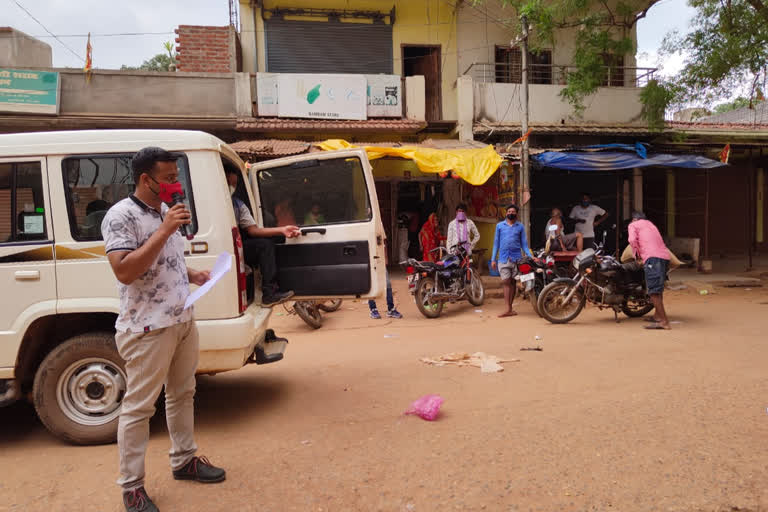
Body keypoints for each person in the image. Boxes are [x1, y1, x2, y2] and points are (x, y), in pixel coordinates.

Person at [101, 147, 225, 512]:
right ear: (146, 179)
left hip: (181, 319)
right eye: (169, 178)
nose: (176, 184)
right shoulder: (120, 216)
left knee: (183, 393)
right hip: (146, 328)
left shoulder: (164, 212)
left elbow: (164, 259)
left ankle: (184, 460)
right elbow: (124, 270)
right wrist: (166, 228)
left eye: (177, 177)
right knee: (139, 408)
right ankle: (132, 488)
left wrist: (191, 273)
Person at [225, 168, 299, 306]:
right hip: (217, 247)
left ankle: (269, 293)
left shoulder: (238, 205)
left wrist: (282, 230)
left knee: (265, 244)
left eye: (234, 185)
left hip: (235, 247)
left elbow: (253, 231)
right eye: (228, 183)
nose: (231, 187)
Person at [627, 211, 672, 330]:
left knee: (653, 292)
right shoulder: (651, 225)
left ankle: (664, 322)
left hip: (652, 258)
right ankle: (657, 316)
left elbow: (632, 240)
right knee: (658, 289)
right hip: (665, 257)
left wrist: (636, 255)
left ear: (634, 219)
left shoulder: (633, 225)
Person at [491, 204, 533, 318]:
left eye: (513, 211)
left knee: (513, 282)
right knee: (506, 282)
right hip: (503, 259)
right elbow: (496, 243)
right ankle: (507, 308)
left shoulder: (520, 227)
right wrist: (493, 259)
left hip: (516, 259)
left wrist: (530, 256)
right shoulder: (500, 226)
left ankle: (510, 308)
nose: (510, 213)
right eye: (509, 211)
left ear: (516, 214)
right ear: (506, 213)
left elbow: (524, 244)